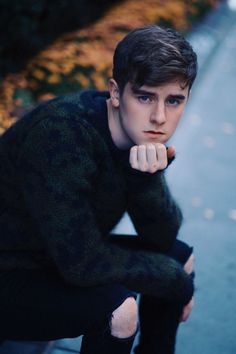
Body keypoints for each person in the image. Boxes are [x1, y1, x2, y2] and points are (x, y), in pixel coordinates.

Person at [0, 25, 197, 354]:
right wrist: (174, 281)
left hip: (54, 257)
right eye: (145, 96)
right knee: (119, 310)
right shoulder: (62, 135)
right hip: (12, 270)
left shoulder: (138, 139)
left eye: (174, 100)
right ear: (116, 93)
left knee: (180, 257)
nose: (160, 117)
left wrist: (145, 177)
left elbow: (161, 238)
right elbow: (81, 263)